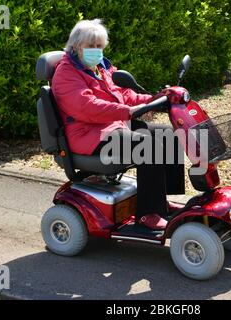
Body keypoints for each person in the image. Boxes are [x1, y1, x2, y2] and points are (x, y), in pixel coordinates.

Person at [51, 19, 184, 230]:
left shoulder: (101, 68)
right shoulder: (66, 73)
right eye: (91, 46)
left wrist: (152, 101)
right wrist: (127, 112)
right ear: (76, 46)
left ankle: (161, 202)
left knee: (168, 136)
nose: (96, 51)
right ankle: (147, 214)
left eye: (99, 46)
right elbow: (87, 107)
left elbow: (124, 93)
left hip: (112, 127)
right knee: (148, 147)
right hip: (87, 136)